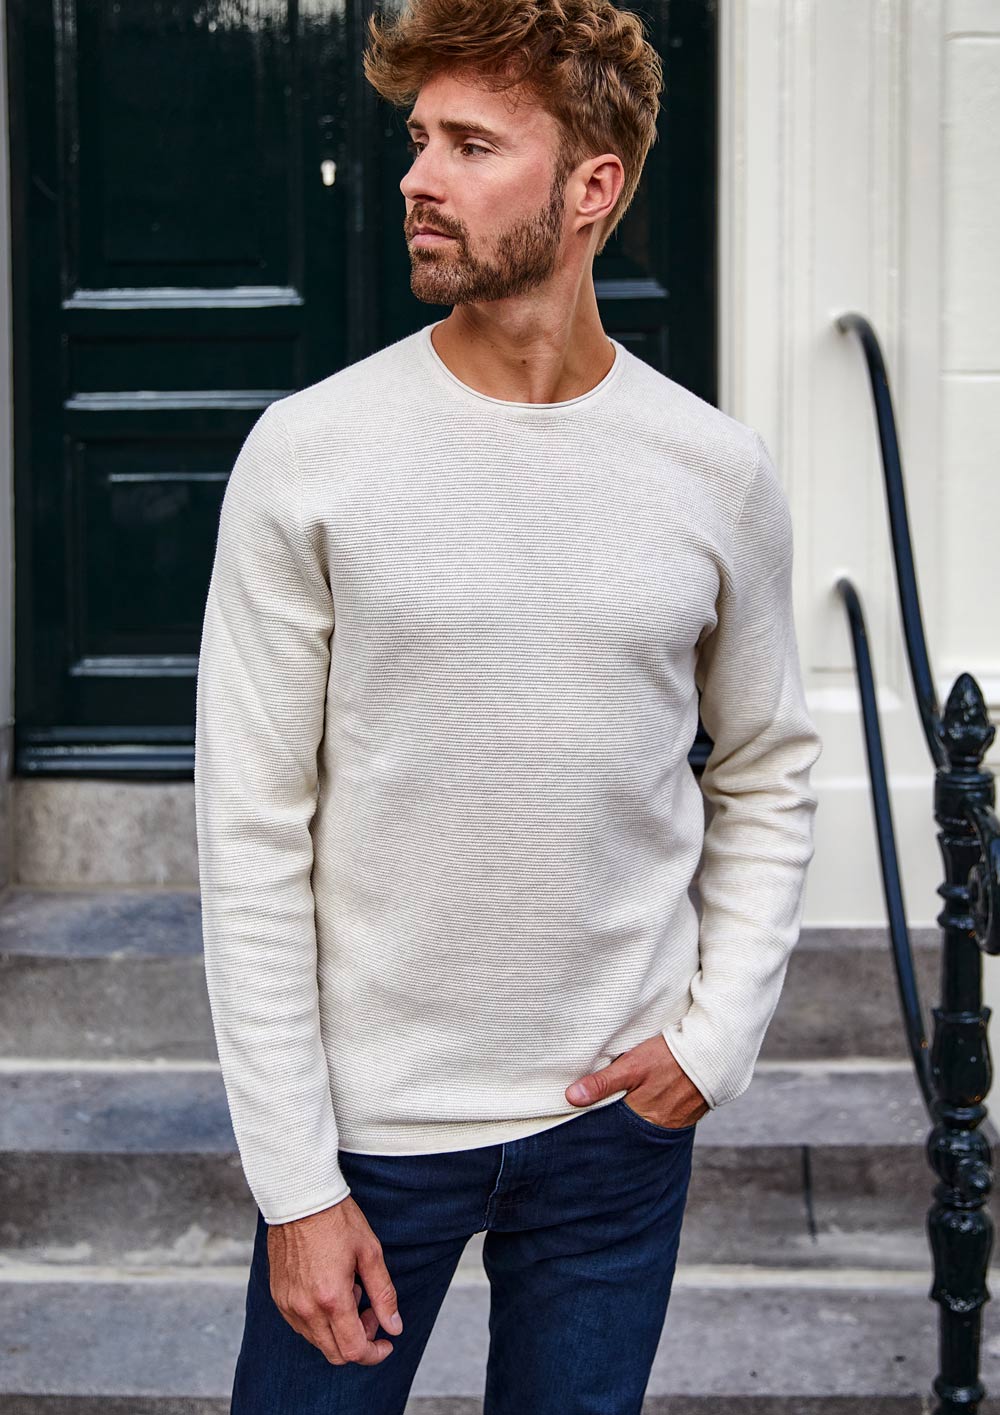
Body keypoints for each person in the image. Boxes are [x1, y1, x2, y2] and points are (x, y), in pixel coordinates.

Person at [193, 1, 823, 1411]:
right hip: (369, 1141)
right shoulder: (310, 454)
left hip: (612, 1131)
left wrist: (714, 1040)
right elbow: (250, 832)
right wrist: (294, 1182)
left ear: (592, 185)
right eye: (420, 139)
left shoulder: (713, 470)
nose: (419, 177)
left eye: (472, 145)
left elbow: (768, 765)